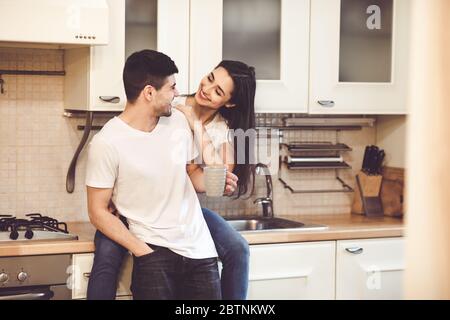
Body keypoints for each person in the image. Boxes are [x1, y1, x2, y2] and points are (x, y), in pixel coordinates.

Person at [86, 55, 257, 300]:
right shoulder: (167, 107)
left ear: (229, 103)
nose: (206, 89)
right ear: (149, 92)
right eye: (209, 79)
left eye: (218, 91)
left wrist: (217, 180)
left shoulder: (209, 127)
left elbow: (197, 175)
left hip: (182, 212)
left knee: (237, 248)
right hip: (142, 218)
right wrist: (119, 193)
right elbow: (99, 207)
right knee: (107, 254)